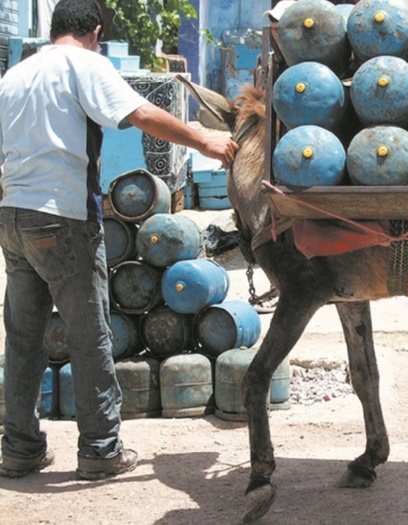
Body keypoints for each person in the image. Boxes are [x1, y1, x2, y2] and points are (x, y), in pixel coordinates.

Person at [0, 0, 238, 480]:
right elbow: (141, 113)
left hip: (13, 218)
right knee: (90, 337)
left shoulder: (14, 76)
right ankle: (100, 450)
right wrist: (203, 140)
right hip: (64, 218)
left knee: (23, 340)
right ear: (93, 31)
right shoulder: (85, 63)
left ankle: (20, 449)